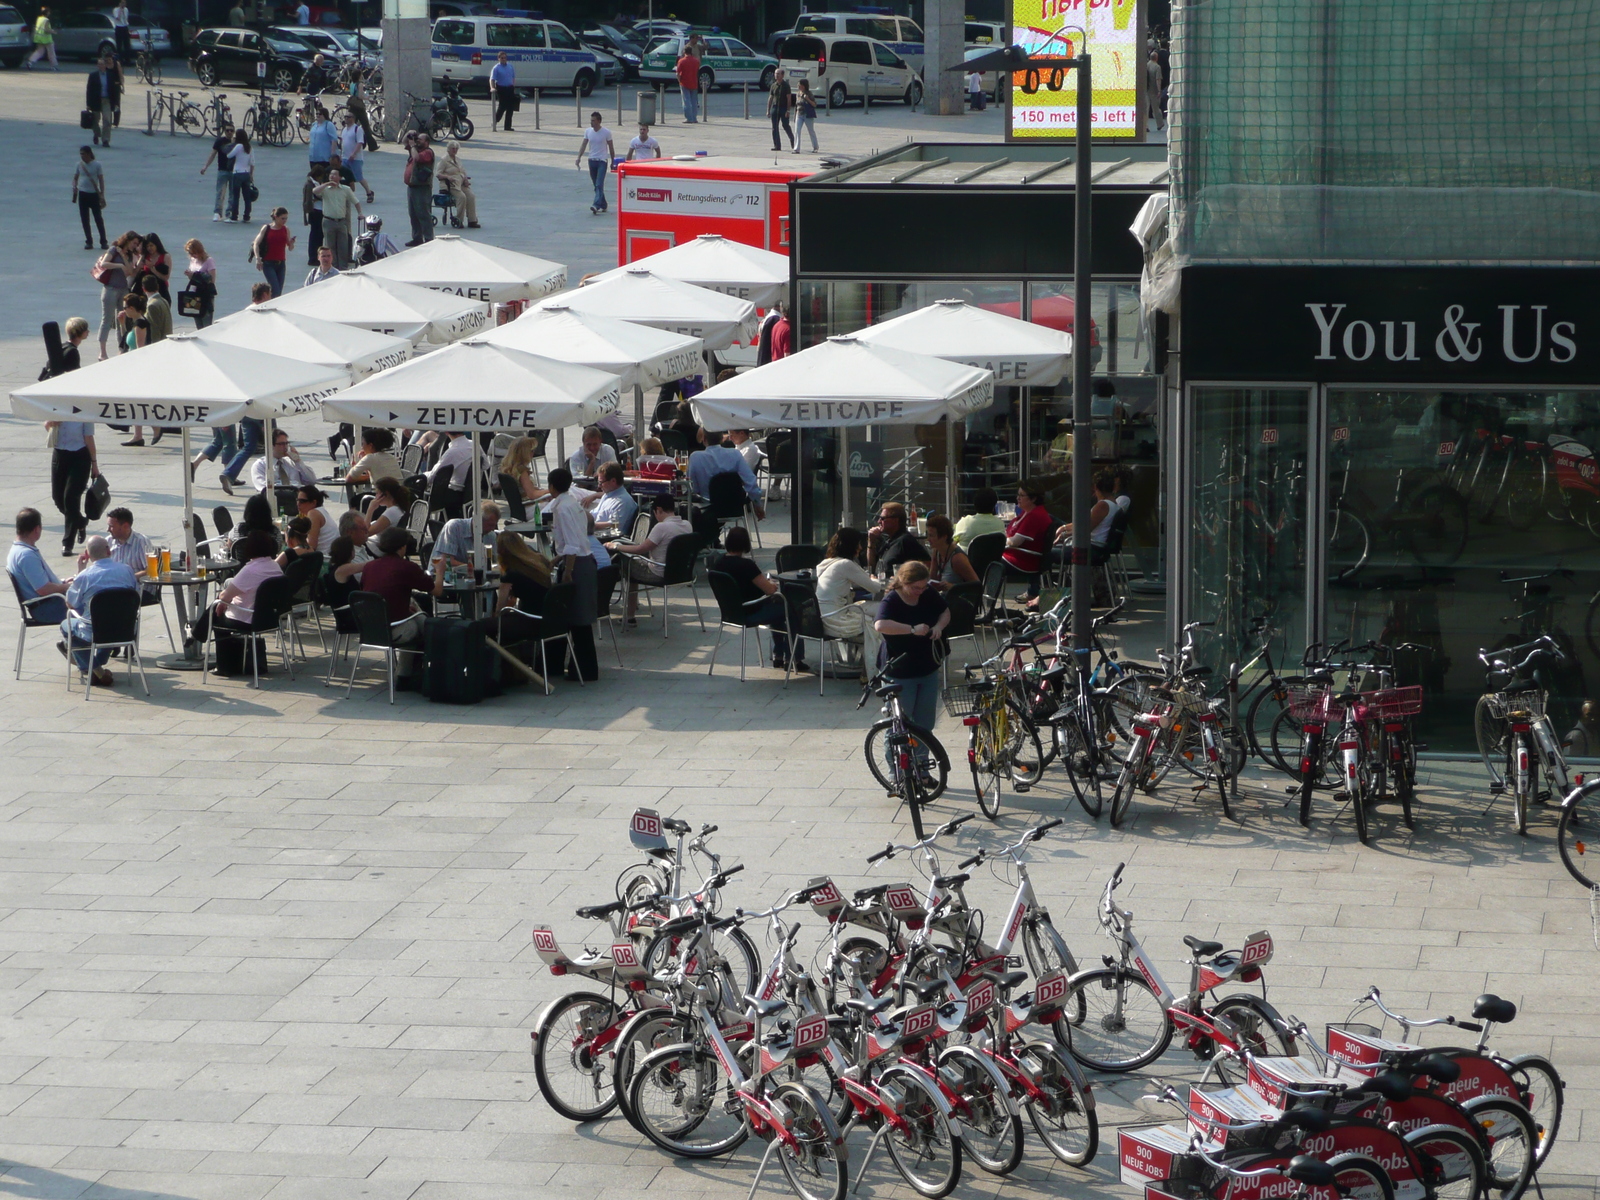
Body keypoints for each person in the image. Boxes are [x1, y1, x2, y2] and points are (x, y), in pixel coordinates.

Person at [874, 561, 951, 760]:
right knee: (898, 725)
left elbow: (945, 611)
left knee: (925, 725)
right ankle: (896, 774)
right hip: (899, 670)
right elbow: (880, 625)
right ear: (903, 581)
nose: (920, 591)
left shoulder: (927, 593)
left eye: (923, 586)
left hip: (926, 667)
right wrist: (911, 629)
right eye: (915, 587)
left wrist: (939, 627)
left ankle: (922, 768)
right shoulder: (892, 600)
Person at [715, 526, 803, 671]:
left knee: (777, 608)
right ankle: (793, 657)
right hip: (751, 611)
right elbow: (769, 590)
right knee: (790, 609)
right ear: (746, 544)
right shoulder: (747, 565)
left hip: (730, 612)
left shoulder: (718, 564)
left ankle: (779, 655)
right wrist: (772, 585)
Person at [540, 469, 599, 679]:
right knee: (576, 619)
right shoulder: (572, 503)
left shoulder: (563, 509)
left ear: (551, 486)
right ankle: (582, 667)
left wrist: (568, 572)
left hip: (578, 565)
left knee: (578, 619)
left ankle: (585, 670)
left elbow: (573, 544)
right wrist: (557, 559)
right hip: (580, 561)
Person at [61, 536, 137, 687]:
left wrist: (79, 572)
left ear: (87, 555)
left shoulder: (85, 577)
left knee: (67, 624)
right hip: (125, 628)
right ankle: (97, 667)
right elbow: (136, 595)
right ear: (109, 551)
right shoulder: (127, 570)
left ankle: (93, 669)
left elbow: (70, 603)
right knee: (109, 618)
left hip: (95, 629)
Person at [365, 527, 440, 670]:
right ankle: (409, 673)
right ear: (403, 547)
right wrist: (440, 571)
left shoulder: (369, 566)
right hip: (394, 629)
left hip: (370, 628)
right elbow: (437, 591)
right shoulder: (407, 567)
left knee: (416, 613)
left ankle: (408, 673)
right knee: (420, 627)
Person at [192, 531, 282, 648]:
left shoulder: (250, 570)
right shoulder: (276, 567)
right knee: (218, 605)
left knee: (216, 613)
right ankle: (197, 634)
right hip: (270, 618)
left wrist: (223, 602)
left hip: (247, 619)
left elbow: (224, 596)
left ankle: (224, 660)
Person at [612, 493, 692, 623]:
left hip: (659, 572)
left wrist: (616, 547)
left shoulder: (661, 527)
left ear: (658, 510)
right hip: (681, 572)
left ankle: (629, 615)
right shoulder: (687, 525)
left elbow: (640, 549)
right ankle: (632, 608)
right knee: (635, 564)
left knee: (626, 564)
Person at [815, 527, 884, 676]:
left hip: (824, 616)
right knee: (882, 617)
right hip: (837, 619)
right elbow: (874, 588)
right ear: (851, 545)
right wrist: (874, 578)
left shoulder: (829, 563)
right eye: (858, 543)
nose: (860, 547)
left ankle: (872, 666)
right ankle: (875, 669)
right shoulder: (845, 564)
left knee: (880, 610)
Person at [46, 415, 99, 556]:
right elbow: (46, 426)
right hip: (59, 454)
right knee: (58, 499)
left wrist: (94, 464)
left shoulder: (84, 411)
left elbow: (89, 438)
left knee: (70, 498)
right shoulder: (57, 406)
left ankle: (67, 543)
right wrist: (52, 422)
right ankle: (80, 522)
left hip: (80, 456)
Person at [8, 509, 71, 626]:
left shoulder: (18, 549)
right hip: (47, 609)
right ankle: (78, 641)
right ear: (37, 529)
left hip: (46, 604)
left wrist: (62, 582)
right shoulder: (26, 555)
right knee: (92, 608)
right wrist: (67, 587)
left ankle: (73, 641)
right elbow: (43, 589)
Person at [688, 428, 764, 520]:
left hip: (707, 506)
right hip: (734, 504)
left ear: (704, 439)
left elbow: (692, 487)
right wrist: (757, 503)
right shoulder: (735, 454)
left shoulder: (695, 457)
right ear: (721, 439)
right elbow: (750, 481)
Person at [1002, 481, 1051, 600]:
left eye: (1021, 495)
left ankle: (986, 599)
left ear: (1033, 499)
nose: (1018, 498)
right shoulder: (1027, 513)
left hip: (1024, 560)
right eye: (1018, 494)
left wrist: (1001, 541)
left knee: (986, 562)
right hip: (1017, 555)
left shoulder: (1034, 516)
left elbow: (1015, 541)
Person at [94, 231, 138, 359]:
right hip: (110, 288)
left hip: (123, 289)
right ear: (127, 240)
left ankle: (122, 348)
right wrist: (118, 264)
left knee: (122, 319)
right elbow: (104, 264)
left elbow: (130, 272)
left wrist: (123, 257)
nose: (135, 246)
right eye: (134, 243)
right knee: (106, 320)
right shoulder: (113, 249)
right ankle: (102, 351)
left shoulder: (129, 254)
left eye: (136, 244)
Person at [102, 507, 155, 602]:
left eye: (111, 526)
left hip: (139, 589)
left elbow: (151, 570)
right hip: (113, 587)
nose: (108, 529)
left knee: (112, 599)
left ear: (125, 526)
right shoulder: (108, 541)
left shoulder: (141, 541)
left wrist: (128, 578)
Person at [313, 167, 361, 268]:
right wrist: (326, 184)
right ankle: (333, 267)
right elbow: (315, 191)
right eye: (331, 174)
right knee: (330, 247)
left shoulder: (345, 189)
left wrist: (360, 213)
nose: (332, 176)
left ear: (340, 177)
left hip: (341, 221)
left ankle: (343, 267)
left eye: (335, 174)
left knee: (343, 246)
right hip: (328, 221)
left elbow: (356, 202)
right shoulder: (325, 189)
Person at [494, 531, 551, 613]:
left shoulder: (510, 573)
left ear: (501, 551)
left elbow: (500, 609)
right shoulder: (538, 560)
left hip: (528, 617)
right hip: (547, 614)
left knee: (476, 625)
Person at [867, 502, 928, 578]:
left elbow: (927, 564)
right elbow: (872, 567)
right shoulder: (887, 541)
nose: (879, 521)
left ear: (895, 520)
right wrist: (871, 542)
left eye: (883, 518)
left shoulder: (906, 540)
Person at [433, 502, 499, 567]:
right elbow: (447, 562)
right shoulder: (454, 527)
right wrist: (472, 569)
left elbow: (492, 563)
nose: (492, 529)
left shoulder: (491, 536)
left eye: (494, 525)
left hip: (471, 575)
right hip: (441, 574)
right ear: (478, 521)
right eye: (490, 525)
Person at [248, 207, 295, 298]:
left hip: (281, 263)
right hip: (268, 263)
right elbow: (256, 243)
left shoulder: (285, 229)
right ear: (275, 217)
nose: (284, 221)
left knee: (278, 291)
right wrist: (258, 259)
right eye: (282, 218)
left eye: (286, 218)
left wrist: (291, 243)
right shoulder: (267, 228)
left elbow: (290, 248)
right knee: (275, 289)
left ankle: (272, 306)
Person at [250, 429, 319, 490]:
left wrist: (298, 461)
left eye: (287, 443)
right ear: (271, 445)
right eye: (282, 444)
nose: (285, 447)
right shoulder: (260, 465)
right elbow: (263, 487)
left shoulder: (291, 462)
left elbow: (311, 481)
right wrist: (289, 486)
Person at [425, 430, 473, 517]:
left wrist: (420, 476)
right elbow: (486, 465)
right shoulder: (475, 445)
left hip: (452, 493)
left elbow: (432, 476)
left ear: (446, 432)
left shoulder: (451, 452)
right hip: (470, 492)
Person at [576, 113, 615, 215]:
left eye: (593, 120)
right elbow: (584, 144)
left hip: (602, 161)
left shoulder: (606, 132)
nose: (591, 122)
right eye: (591, 120)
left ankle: (596, 205)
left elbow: (611, 147)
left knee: (599, 184)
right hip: (591, 160)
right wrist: (579, 157)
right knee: (596, 185)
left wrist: (613, 161)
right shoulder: (588, 131)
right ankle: (604, 204)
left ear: (598, 121)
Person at [925, 516, 978, 590]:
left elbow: (977, 586)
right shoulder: (937, 551)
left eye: (931, 536)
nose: (928, 539)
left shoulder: (957, 559)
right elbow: (932, 579)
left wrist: (953, 587)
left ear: (944, 537)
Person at [72, 146, 107, 251]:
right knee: (84, 219)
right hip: (83, 194)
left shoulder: (97, 165)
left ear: (88, 154)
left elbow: (101, 179)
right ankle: (89, 241)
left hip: (94, 194)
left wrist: (102, 194)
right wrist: (74, 186)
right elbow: (75, 178)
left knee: (98, 219)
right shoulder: (79, 165)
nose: (82, 156)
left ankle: (103, 241)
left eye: (83, 154)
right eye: (80, 154)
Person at [403, 131, 435, 246]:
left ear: (427, 142)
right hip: (412, 187)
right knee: (413, 214)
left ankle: (428, 239)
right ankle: (417, 238)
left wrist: (412, 146)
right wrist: (409, 133)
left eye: (420, 139)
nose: (417, 141)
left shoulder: (428, 152)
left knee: (423, 214)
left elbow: (416, 158)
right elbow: (403, 142)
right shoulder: (415, 149)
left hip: (422, 188)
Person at [437, 141, 479, 228]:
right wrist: (448, 177)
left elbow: (462, 171)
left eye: (456, 149)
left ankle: (472, 220)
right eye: (453, 148)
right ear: (448, 149)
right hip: (450, 185)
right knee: (462, 197)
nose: (455, 150)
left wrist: (465, 179)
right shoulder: (444, 160)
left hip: (460, 183)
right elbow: (438, 174)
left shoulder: (458, 160)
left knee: (471, 196)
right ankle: (459, 219)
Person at [338, 110, 374, 203]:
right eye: (345, 117)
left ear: (353, 119)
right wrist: (341, 155)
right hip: (345, 158)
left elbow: (360, 142)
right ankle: (347, 195)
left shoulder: (357, 129)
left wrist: (354, 154)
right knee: (346, 177)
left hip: (356, 158)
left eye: (348, 117)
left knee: (358, 177)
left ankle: (369, 193)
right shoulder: (344, 129)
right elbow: (343, 143)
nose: (346, 118)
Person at [201, 123, 235, 222]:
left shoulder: (237, 142)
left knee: (232, 194)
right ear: (224, 131)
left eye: (231, 130)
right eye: (227, 130)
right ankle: (217, 213)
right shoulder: (220, 141)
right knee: (220, 192)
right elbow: (213, 154)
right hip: (222, 170)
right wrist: (205, 166)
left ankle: (229, 213)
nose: (229, 132)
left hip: (234, 171)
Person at [219, 414, 261, 494]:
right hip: (262, 413)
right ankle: (276, 479)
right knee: (273, 443)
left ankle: (228, 473)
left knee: (248, 448)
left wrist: (227, 419)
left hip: (246, 414)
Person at [590, 461, 636, 532]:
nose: (599, 486)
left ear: (613, 481)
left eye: (601, 482)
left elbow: (615, 526)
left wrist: (589, 525)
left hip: (607, 540)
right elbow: (594, 514)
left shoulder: (623, 501)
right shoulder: (607, 495)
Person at [321, 536, 364, 609]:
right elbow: (368, 565)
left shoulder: (335, 567)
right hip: (348, 612)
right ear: (349, 551)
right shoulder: (344, 569)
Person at [86, 53, 120, 148]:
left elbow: (114, 90)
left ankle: (105, 140)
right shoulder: (93, 76)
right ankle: (97, 133)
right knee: (95, 120)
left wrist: (116, 103)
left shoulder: (110, 75)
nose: (100, 66)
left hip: (107, 100)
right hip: (96, 100)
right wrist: (88, 104)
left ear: (105, 65)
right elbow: (89, 90)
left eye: (102, 64)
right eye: (99, 64)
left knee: (107, 120)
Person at [183, 237, 218, 329]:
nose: (192, 255)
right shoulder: (193, 260)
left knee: (206, 323)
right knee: (198, 322)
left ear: (199, 250)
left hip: (205, 294)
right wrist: (190, 275)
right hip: (195, 294)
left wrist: (195, 275)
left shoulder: (209, 261)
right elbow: (193, 278)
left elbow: (211, 280)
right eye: (190, 253)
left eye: (194, 253)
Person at [225, 130, 255, 223]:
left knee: (235, 196)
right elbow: (252, 163)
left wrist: (232, 143)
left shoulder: (238, 146)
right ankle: (246, 216)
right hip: (246, 173)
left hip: (237, 173)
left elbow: (229, 155)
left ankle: (234, 216)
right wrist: (251, 175)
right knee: (247, 197)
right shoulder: (249, 147)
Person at [296, 485, 337, 552]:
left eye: (302, 501)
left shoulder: (313, 514)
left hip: (324, 558)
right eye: (297, 500)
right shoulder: (321, 511)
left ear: (313, 503)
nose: (298, 504)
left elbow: (311, 546)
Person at [302, 162, 327, 263]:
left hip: (318, 210)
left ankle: (316, 256)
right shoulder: (310, 184)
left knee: (318, 235)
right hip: (315, 211)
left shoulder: (314, 182)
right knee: (315, 236)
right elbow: (312, 197)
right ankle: (313, 257)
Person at [139, 231, 171, 301]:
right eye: (147, 246)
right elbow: (136, 269)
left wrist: (153, 269)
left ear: (157, 244)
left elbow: (166, 277)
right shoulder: (145, 256)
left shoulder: (165, 256)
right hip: (146, 289)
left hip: (161, 288)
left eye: (151, 245)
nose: (149, 248)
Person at [767, 66, 793, 152]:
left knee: (785, 125)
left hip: (783, 108)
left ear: (782, 75)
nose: (776, 75)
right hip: (775, 107)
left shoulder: (786, 86)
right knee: (774, 127)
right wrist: (768, 110)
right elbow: (770, 98)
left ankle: (792, 140)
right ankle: (777, 145)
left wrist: (788, 110)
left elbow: (789, 98)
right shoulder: (773, 85)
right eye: (775, 74)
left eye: (778, 74)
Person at [140, 276, 171, 347]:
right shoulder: (164, 300)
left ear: (143, 289)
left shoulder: (151, 306)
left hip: (159, 346)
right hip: (167, 342)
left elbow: (154, 331)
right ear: (157, 287)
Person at [489, 50, 516, 131]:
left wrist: (513, 85)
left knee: (510, 107)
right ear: (498, 58)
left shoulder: (510, 66)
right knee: (502, 106)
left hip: (510, 88)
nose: (503, 59)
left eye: (505, 58)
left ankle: (507, 126)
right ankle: (495, 121)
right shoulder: (496, 68)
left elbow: (513, 77)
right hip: (501, 88)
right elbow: (492, 79)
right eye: (502, 58)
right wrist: (492, 87)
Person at [675, 42, 701, 123]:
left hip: (684, 83)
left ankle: (689, 118)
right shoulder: (696, 61)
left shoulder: (681, 61)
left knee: (686, 101)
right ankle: (694, 118)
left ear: (684, 52)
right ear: (691, 52)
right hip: (694, 82)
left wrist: (679, 81)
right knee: (694, 101)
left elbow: (678, 73)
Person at [25, 5, 57, 69]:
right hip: (47, 39)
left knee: (39, 51)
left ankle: (30, 61)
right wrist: (53, 31)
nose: (49, 13)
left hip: (39, 38)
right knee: (51, 53)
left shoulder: (39, 19)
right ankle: (53, 66)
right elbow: (46, 29)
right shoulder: (46, 20)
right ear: (47, 13)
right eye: (49, 12)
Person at [792, 79, 818, 152]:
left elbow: (814, 104)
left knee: (811, 131)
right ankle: (796, 148)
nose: (798, 86)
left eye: (799, 85)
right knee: (797, 130)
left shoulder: (809, 94)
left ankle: (815, 147)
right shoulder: (798, 94)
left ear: (803, 86)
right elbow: (796, 105)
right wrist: (794, 115)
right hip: (799, 114)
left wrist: (807, 99)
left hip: (807, 114)